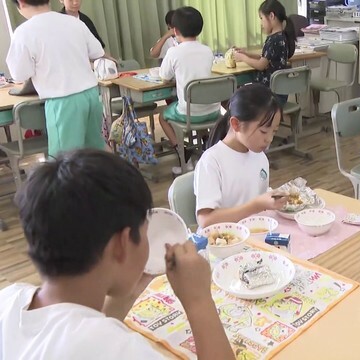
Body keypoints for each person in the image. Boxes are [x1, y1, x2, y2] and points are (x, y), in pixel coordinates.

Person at [0, 149, 234, 359]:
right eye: (145, 230)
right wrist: (198, 300)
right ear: (121, 244)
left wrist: (128, 290)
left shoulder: (8, 300)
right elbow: (95, 343)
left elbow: (79, 327)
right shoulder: (121, 349)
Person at [7, 0, 106, 157]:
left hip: (62, 101)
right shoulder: (74, 22)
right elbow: (97, 51)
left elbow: (19, 74)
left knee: (64, 161)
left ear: (21, 3)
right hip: (91, 96)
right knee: (95, 154)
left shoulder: (24, 32)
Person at [194, 84, 287, 228]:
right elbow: (206, 220)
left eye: (274, 131)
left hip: (253, 234)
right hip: (222, 242)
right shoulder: (212, 161)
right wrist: (256, 205)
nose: (269, 139)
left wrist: (271, 199)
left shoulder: (260, 157)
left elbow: (252, 197)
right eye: (263, 131)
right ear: (236, 124)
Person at [158, 6, 220, 175]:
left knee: (162, 116)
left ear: (175, 30)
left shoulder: (174, 52)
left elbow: (164, 77)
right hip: (213, 111)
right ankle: (205, 148)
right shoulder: (207, 51)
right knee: (197, 105)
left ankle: (183, 152)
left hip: (189, 113)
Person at [233, 0, 296, 105]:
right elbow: (267, 57)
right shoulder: (281, 37)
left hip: (269, 96)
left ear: (271, 16)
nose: (261, 23)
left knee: (238, 97)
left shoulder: (273, 40)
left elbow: (261, 65)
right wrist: (246, 54)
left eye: (262, 18)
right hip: (278, 93)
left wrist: (243, 58)